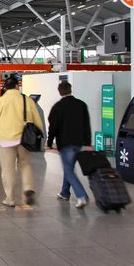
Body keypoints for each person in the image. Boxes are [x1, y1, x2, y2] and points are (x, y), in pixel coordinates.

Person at [0, 76, 43, 207]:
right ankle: (28, 189)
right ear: (17, 86)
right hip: (25, 139)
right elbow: (37, 120)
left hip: (7, 139)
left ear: (5, 88)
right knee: (25, 164)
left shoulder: (1, 101)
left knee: (8, 169)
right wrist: (40, 135)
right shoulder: (27, 100)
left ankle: (10, 198)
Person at [47, 81, 92, 209]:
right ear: (70, 90)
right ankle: (64, 193)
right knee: (69, 168)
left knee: (68, 170)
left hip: (65, 144)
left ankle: (82, 196)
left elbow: (53, 127)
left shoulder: (57, 107)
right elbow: (86, 125)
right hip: (79, 143)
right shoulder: (81, 105)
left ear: (59, 92)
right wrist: (88, 143)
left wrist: (49, 143)